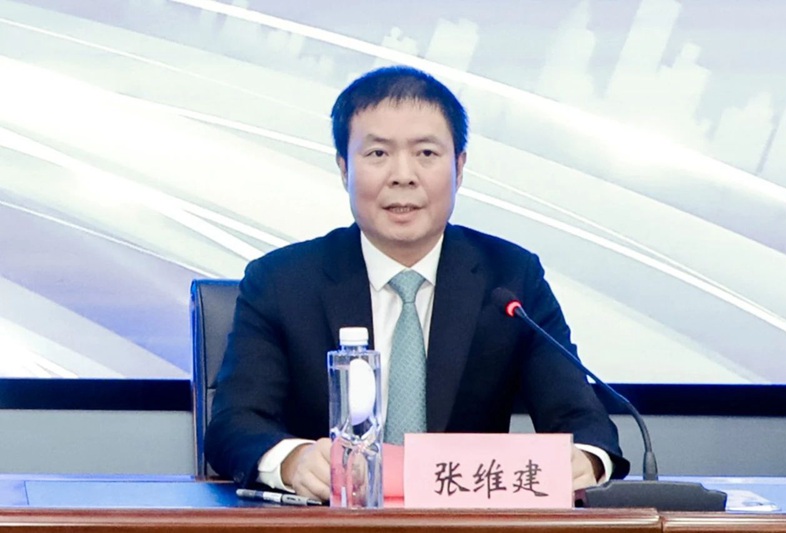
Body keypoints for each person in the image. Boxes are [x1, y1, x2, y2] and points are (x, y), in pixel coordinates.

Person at [205, 65, 630, 501]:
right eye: (377, 154)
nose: (403, 175)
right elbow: (235, 424)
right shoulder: (281, 282)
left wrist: (585, 459)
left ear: (459, 168)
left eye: (426, 153)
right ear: (343, 169)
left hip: (466, 527)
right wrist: (294, 461)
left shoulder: (510, 277)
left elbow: (583, 421)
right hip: (330, 524)